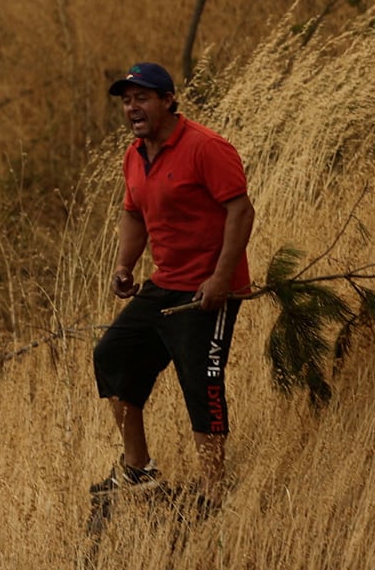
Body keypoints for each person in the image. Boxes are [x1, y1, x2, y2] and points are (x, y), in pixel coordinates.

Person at [90, 61, 254, 505]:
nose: (132, 108)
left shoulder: (206, 147)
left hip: (207, 292)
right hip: (164, 284)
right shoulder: (134, 155)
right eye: (126, 101)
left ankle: (214, 491)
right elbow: (133, 213)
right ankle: (137, 469)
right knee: (112, 355)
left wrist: (221, 278)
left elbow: (241, 211)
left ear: (167, 100)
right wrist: (124, 266)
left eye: (141, 98)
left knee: (201, 381)